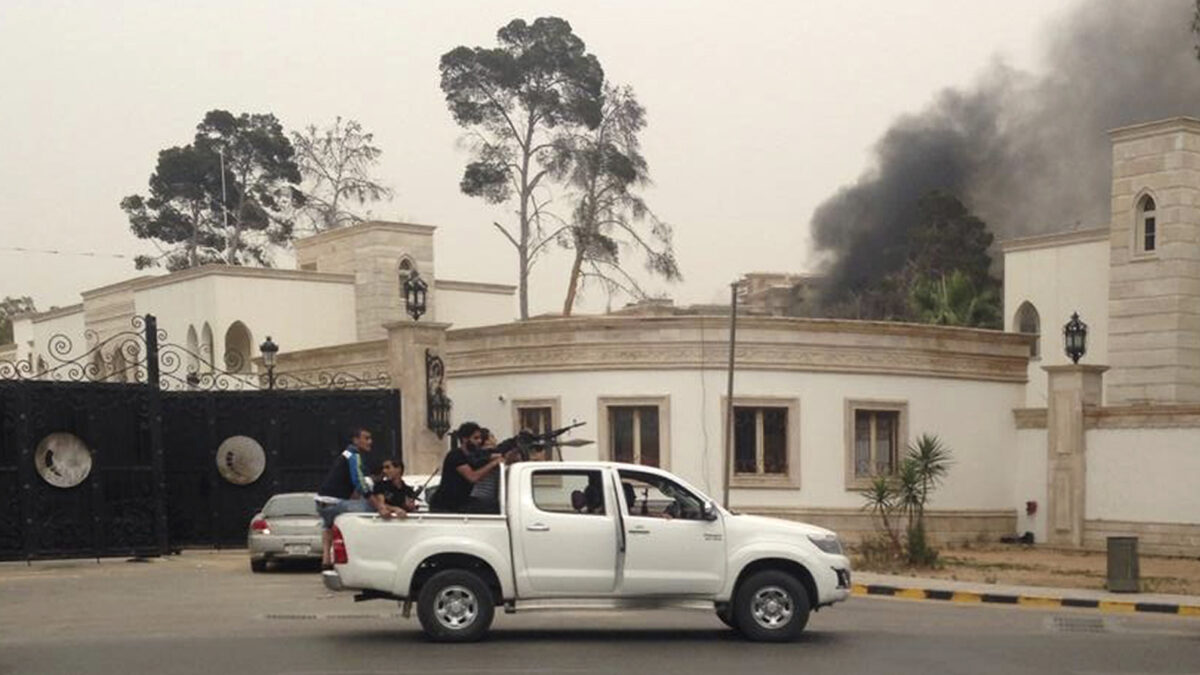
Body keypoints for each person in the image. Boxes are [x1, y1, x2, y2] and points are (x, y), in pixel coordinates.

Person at [315, 427, 375, 569]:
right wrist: (376, 503)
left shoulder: (345, 454)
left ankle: (326, 559)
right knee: (370, 509)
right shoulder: (354, 455)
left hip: (321, 502)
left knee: (328, 524)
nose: (370, 442)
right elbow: (359, 481)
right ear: (356, 440)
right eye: (366, 438)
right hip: (335, 503)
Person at [429, 421, 503, 513]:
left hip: (461, 502)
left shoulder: (472, 456)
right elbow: (472, 477)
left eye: (480, 438)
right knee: (492, 508)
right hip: (446, 506)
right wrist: (494, 463)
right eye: (475, 438)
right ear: (465, 439)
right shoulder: (456, 456)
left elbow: (485, 455)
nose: (479, 441)